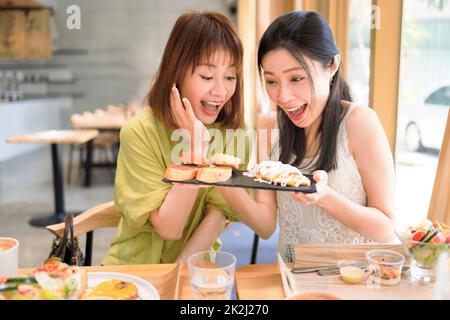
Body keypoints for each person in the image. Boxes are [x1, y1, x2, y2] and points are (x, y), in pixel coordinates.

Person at [217, 11, 396, 261]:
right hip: (294, 279)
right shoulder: (268, 127)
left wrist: (325, 197)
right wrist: (222, 180)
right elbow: (265, 226)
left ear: (332, 66)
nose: (283, 96)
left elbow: (386, 227)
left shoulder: (360, 123)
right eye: (271, 81)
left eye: (297, 78)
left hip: (355, 279)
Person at [103, 11, 246, 265]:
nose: (221, 91)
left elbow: (217, 216)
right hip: (134, 272)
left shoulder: (233, 132)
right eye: (207, 76)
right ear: (177, 72)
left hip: (194, 269)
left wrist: (178, 278)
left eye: (230, 77)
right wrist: (195, 153)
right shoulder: (138, 132)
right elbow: (169, 228)